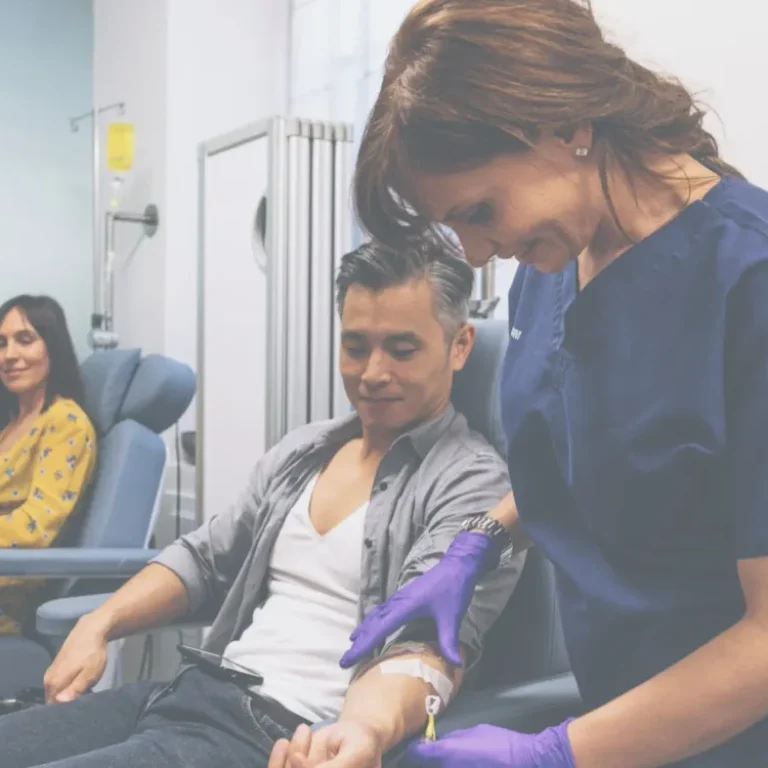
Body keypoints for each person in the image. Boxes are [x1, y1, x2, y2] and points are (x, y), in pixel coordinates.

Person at [333, 1, 768, 766]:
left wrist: (555, 753)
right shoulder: (552, 265)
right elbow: (589, 455)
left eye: (478, 211)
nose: (473, 255)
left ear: (564, 124)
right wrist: (477, 545)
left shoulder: (747, 279)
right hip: (614, 710)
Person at [2, 240, 524, 768]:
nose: (372, 373)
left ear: (460, 346)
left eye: (403, 349)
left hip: (277, 734)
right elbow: (205, 558)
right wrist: (100, 622)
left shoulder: (473, 483)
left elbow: (427, 642)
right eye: (356, 346)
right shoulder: (306, 449)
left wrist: (364, 728)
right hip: (183, 695)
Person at [0, 295, 96, 636]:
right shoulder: (12, 424)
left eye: (25, 340)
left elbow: (34, 530)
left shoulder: (65, 423)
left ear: (51, 347)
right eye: (1, 343)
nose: (10, 355)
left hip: (10, 600)